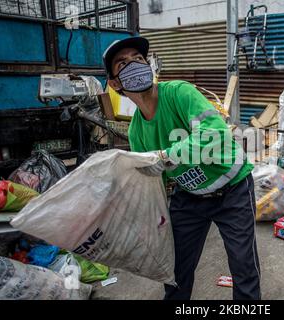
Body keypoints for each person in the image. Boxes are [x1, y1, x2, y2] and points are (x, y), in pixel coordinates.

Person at [102, 37, 261, 300]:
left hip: (233, 190)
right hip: (189, 197)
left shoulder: (178, 93)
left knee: (243, 266)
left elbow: (214, 132)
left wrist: (166, 156)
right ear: (114, 82)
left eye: (138, 58)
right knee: (176, 269)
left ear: (150, 65)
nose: (133, 64)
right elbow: (152, 182)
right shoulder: (137, 131)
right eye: (122, 62)